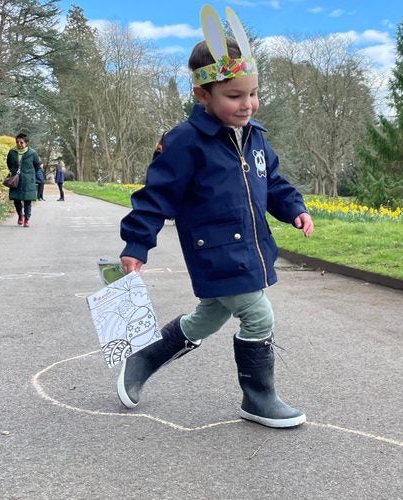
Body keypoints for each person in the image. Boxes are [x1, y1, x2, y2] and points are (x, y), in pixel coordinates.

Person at [116, 5, 314, 429]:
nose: (248, 105)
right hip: (216, 252)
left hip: (251, 250)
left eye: (253, 93)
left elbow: (272, 182)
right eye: (235, 96)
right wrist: (137, 243)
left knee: (209, 316)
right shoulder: (185, 142)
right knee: (258, 314)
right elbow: (155, 196)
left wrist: (294, 209)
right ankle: (258, 397)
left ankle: (145, 357)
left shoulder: (255, 137)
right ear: (203, 94)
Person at [6, 133, 43, 227]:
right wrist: (14, 172)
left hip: (28, 180)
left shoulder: (33, 153)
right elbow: (9, 164)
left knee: (27, 200)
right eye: (17, 142)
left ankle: (27, 219)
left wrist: (29, 174)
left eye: (21, 142)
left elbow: (37, 166)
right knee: (16, 199)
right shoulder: (12, 152)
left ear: (26, 143)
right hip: (16, 180)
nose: (19, 144)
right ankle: (20, 216)